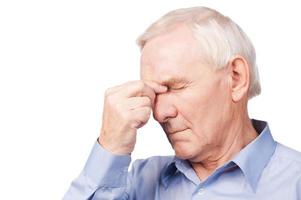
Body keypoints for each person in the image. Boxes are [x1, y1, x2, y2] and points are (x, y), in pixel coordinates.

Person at [63, 6, 301, 199]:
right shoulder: (133, 182)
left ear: (236, 78)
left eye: (175, 87)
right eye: (154, 93)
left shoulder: (295, 182)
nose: (159, 113)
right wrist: (110, 146)